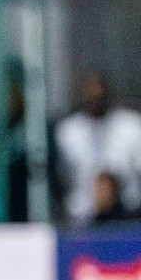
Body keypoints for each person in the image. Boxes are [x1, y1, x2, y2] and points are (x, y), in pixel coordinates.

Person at [55, 72, 141, 224]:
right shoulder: (69, 132)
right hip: (82, 216)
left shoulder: (131, 126)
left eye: (99, 95)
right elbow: (63, 179)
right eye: (91, 96)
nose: (95, 100)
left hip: (129, 213)